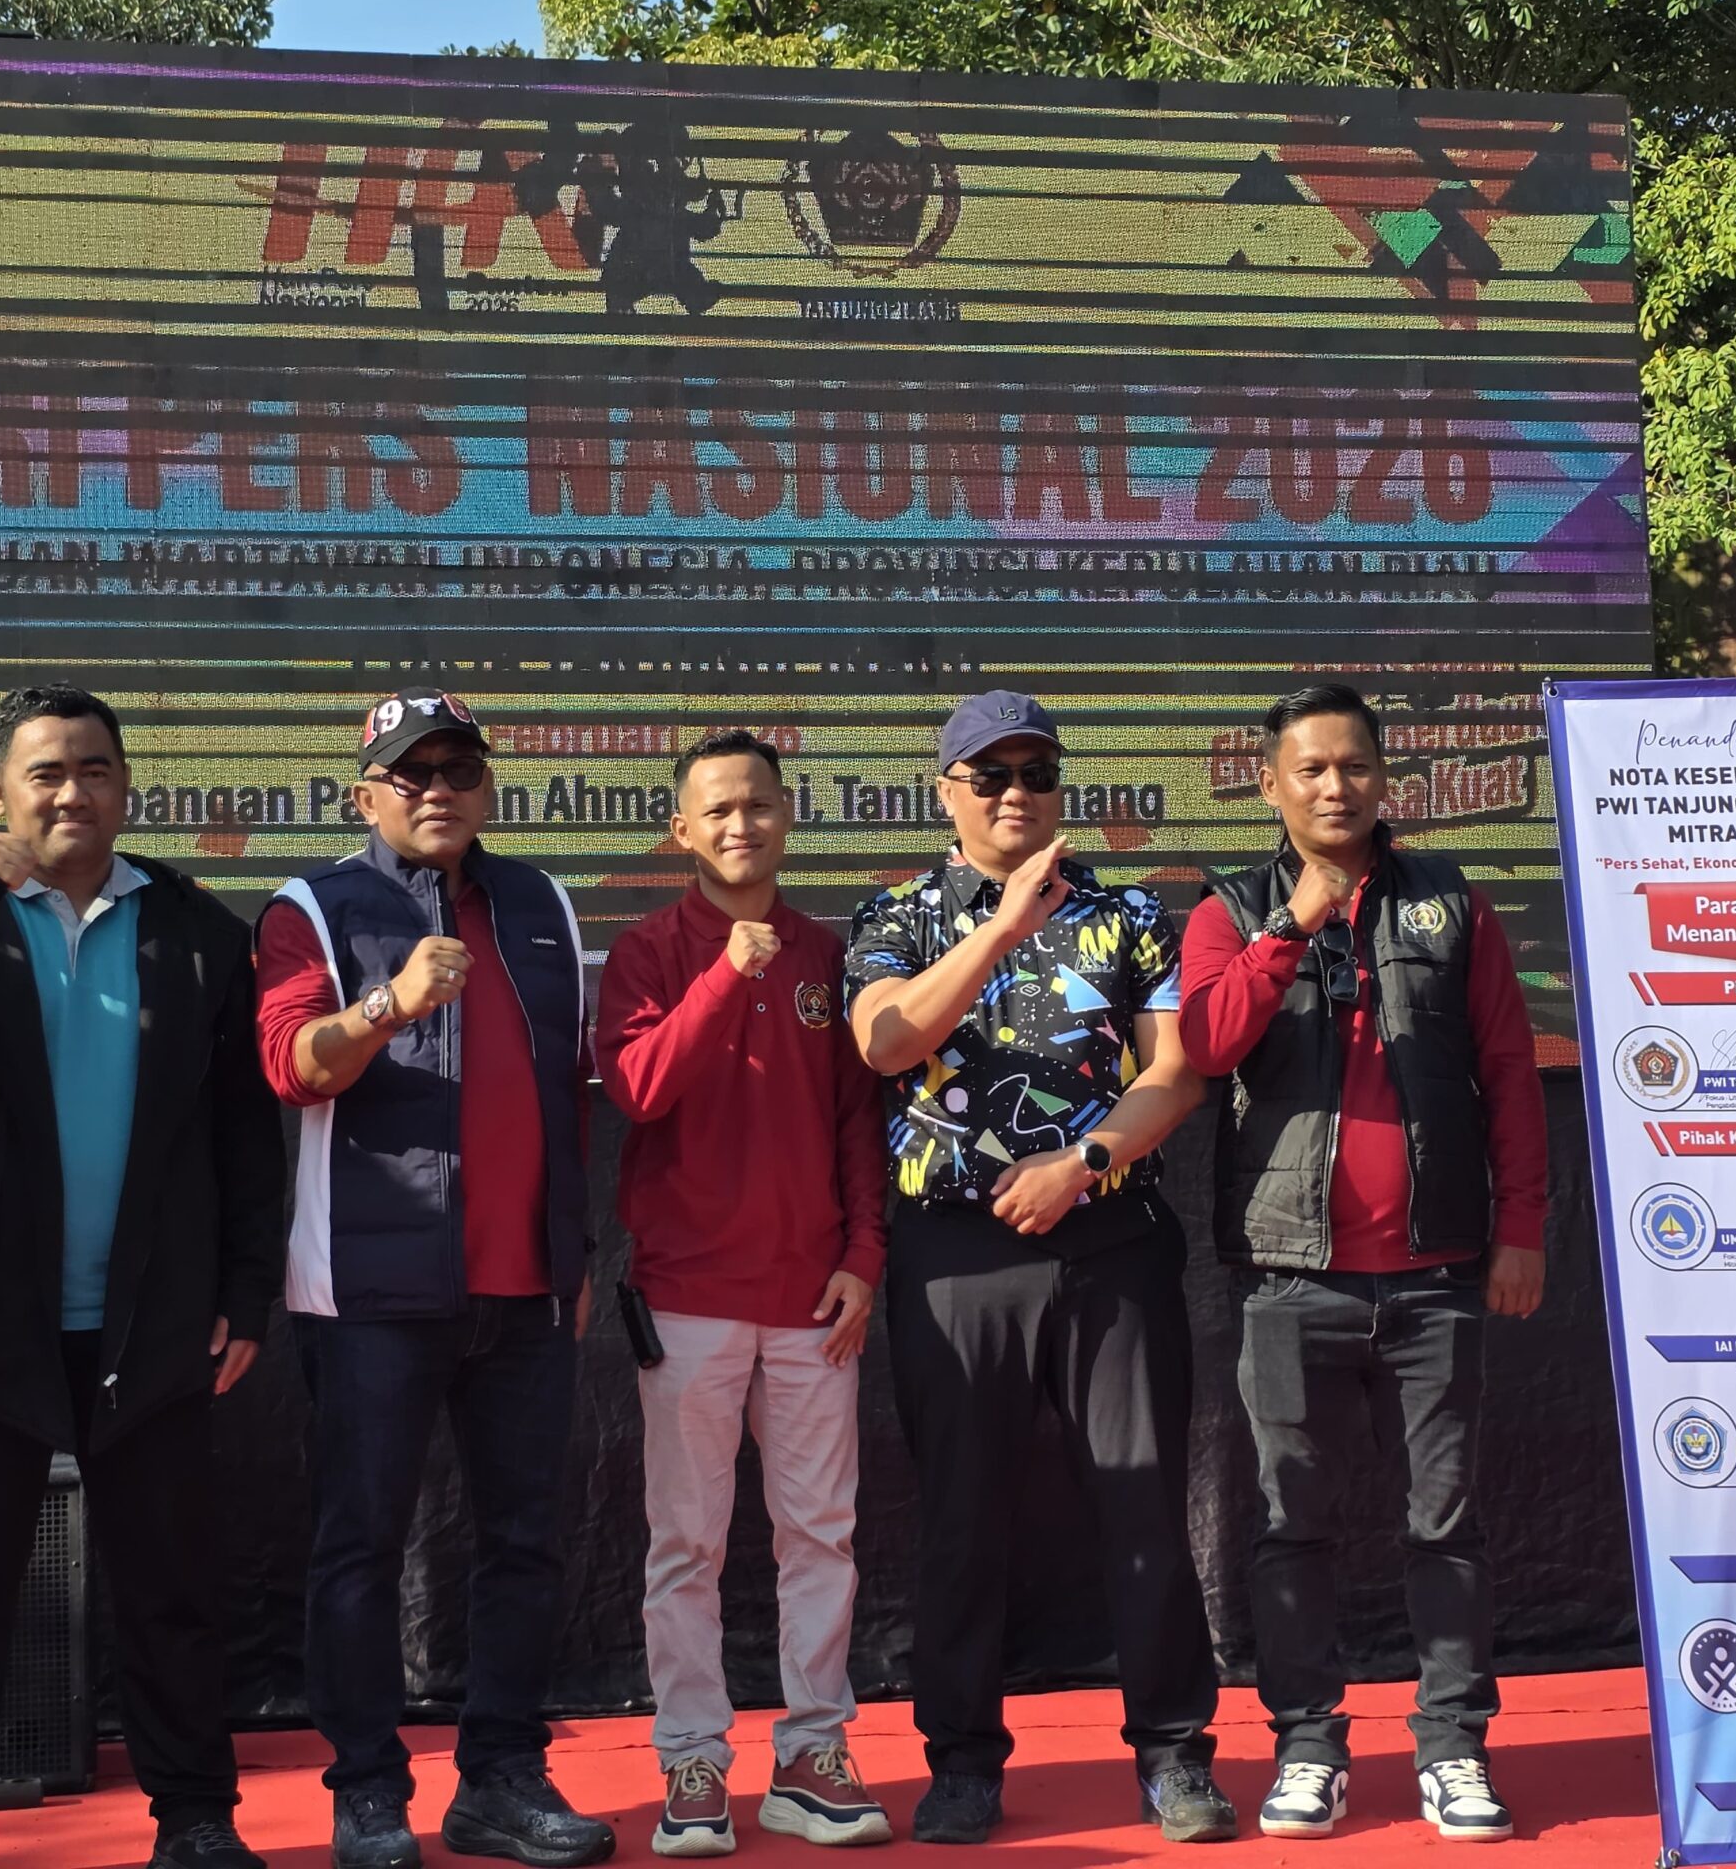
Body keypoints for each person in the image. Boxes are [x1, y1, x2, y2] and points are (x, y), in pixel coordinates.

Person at [0, 684, 285, 1869]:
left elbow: (245, 1134)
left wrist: (247, 1292)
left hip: (154, 1326)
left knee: (171, 1595)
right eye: (44, 772)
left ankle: (194, 1817)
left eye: (94, 769)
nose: (71, 792)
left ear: (126, 787)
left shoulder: (196, 930)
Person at [843, 691, 1232, 1849]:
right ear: (946, 793)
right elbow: (885, 1041)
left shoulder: (1132, 915)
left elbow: (1174, 1075)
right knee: (961, 1520)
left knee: (1143, 1503)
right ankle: (962, 1763)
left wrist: (1086, 1160)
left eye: (1036, 773)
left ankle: (1175, 1756)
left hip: (1109, 1238)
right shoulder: (896, 916)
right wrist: (1002, 927)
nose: (1016, 792)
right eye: (991, 775)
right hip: (953, 1253)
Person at [1177, 683, 1547, 1845]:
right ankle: (1306, 1746)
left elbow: (1507, 1072)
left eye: (1354, 766)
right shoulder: (1228, 908)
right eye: (1311, 769)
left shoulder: (1450, 902)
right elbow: (1204, 1045)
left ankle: (1452, 1746)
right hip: (1287, 1281)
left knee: (1445, 1522)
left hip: (1436, 1276)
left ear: (1385, 779)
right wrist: (1289, 926)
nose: (1335, 787)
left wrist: (1521, 1228)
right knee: (1292, 1524)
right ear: (1269, 785)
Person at [253, 689, 612, 1869]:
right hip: (371, 1292)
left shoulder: (541, 902)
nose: (440, 791)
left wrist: (572, 1253)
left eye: (460, 770)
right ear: (366, 795)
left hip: (525, 1290)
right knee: (360, 1547)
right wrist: (389, 1004)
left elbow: (568, 1098)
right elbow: (291, 1068)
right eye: (413, 774)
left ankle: (501, 1781)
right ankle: (366, 1791)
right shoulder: (313, 907)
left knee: (525, 1546)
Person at [596, 731, 891, 1859]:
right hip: (688, 1297)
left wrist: (863, 1255)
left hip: (812, 1300)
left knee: (821, 1537)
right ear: (681, 830)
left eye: (757, 805)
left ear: (787, 815)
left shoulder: (830, 954)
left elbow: (856, 1121)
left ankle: (814, 1753)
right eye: (716, 810)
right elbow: (638, 1089)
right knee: (688, 1545)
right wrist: (726, 974)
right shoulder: (648, 951)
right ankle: (692, 1761)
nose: (739, 825)